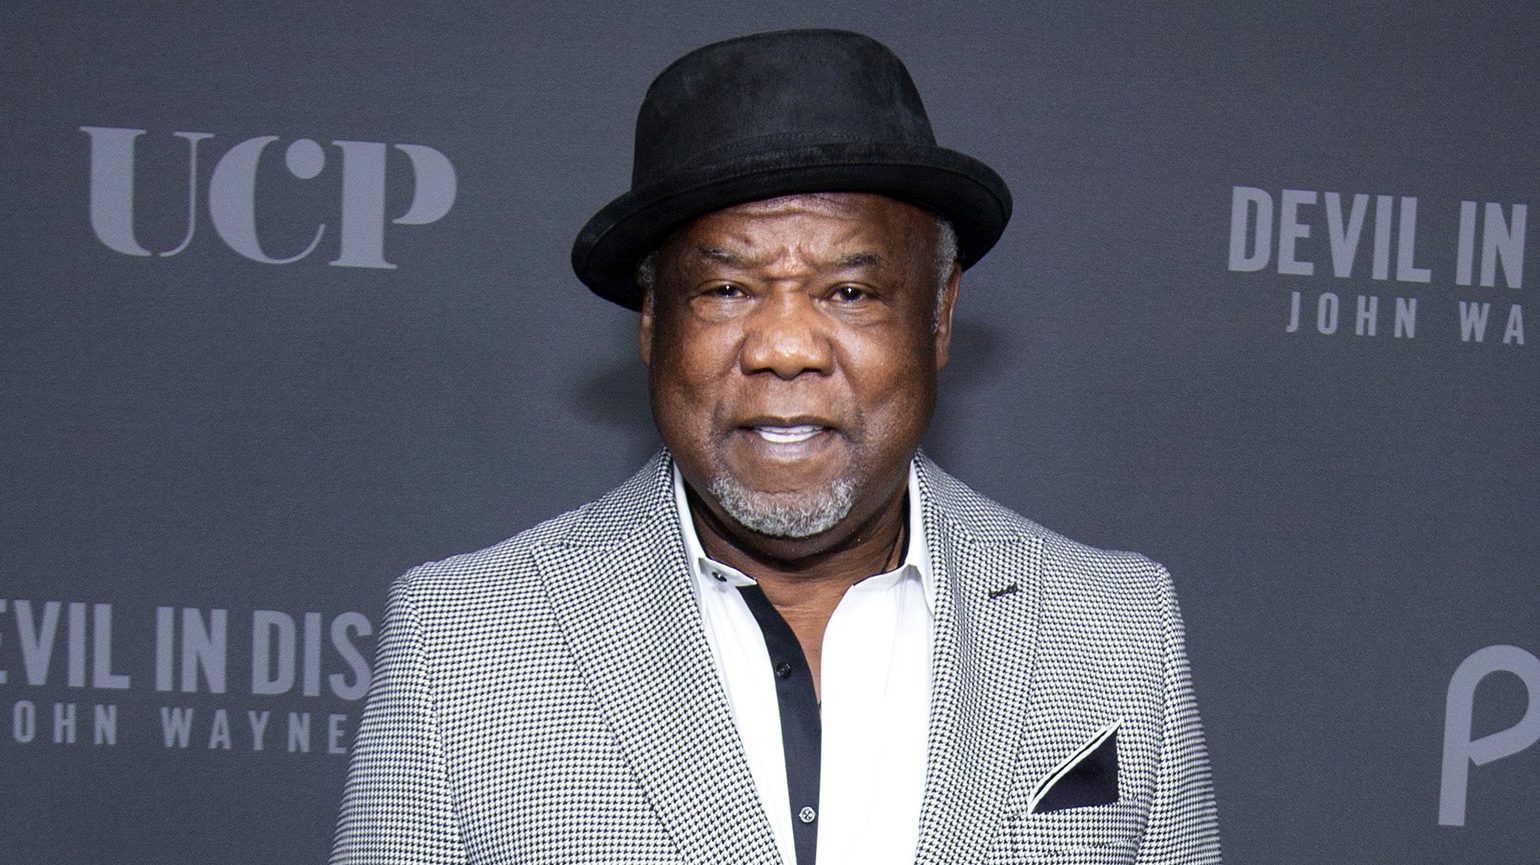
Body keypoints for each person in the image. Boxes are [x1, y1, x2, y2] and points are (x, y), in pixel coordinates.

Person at [331, 28, 1221, 865]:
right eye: (726, 289)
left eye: (849, 292)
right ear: (652, 320)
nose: (785, 348)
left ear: (940, 315)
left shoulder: (1116, 629)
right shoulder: (461, 643)